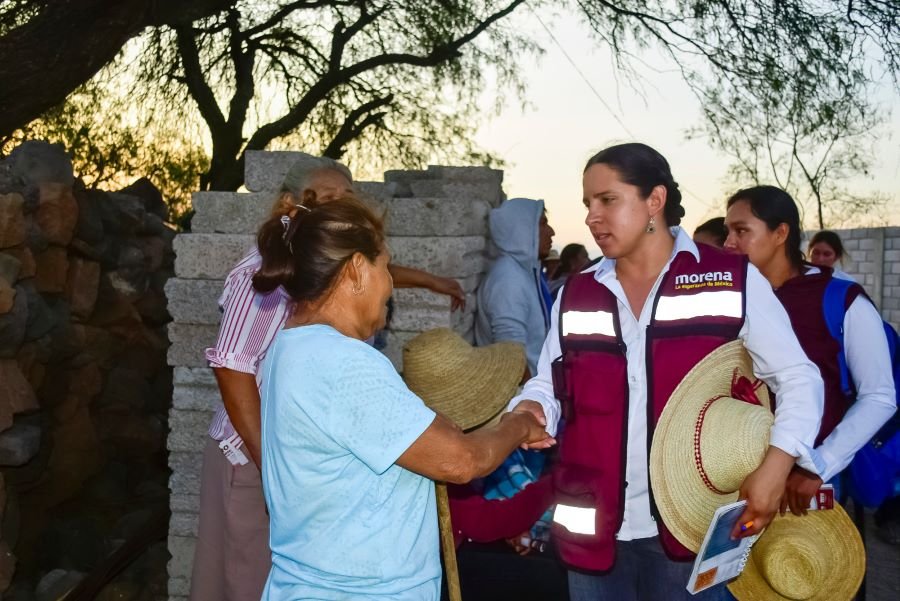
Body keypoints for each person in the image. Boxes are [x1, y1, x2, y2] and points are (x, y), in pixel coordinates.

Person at [507, 143, 824, 601]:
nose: (592, 217)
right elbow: (548, 384)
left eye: (608, 200)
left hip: (694, 532)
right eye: (587, 204)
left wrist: (778, 466)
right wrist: (532, 407)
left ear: (654, 200)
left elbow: (798, 378)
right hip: (592, 532)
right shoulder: (576, 292)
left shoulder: (730, 278)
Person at [190, 156, 468, 601]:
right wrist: (273, 463)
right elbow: (231, 365)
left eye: (347, 198)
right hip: (250, 451)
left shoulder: (322, 272)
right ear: (290, 205)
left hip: (291, 451)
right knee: (245, 576)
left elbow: (375, 269)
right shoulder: (260, 275)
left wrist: (432, 281)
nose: (338, 207)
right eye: (326, 198)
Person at [254, 192, 548, 599]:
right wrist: (519, 426)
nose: (391, 284)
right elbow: (461, 462)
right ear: (357, 269)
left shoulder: (291, 347)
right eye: (386, 267)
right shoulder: (344, 362)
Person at [724, 186, 896, 509]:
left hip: (805, 490)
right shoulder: (730, 297)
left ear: (780, 233)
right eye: (727, 232)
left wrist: (819, 466)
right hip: (734, 480)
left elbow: (879, 396)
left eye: (741, 230)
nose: (729, 243)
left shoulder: (841, 300)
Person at [475, 197, 555, 378]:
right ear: (521, 230)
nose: (551, 232)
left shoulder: (525, 272)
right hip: (525, 397)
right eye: (543, 224)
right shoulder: (508, 280)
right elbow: (511, 358)